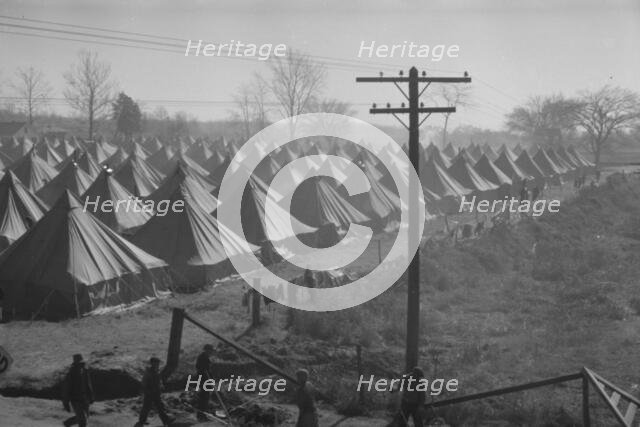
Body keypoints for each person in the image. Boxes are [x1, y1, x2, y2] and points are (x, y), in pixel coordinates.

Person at [135, 357, 173, 427]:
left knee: (160, 407)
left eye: (158, 363)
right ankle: (141, 421)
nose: (158, 364)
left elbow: (159, 381)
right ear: (152, 363)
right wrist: (146, 390)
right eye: (156, 363)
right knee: (146, 407)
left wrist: (161, 386)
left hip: (156, 393)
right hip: (149, 393)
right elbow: (144, 382)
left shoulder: (157, 371)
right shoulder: (148, 372)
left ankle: (166, 420)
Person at [62, 354, 94, 427]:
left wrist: (91, 396)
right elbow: (66, 389)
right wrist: (66, 402)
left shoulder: (85, 371)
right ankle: (68, 423)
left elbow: (88, 384)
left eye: (82, 363)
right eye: (80, 363)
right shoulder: (71, 374)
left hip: (85, 399)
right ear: (76, 364)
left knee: (86, 417)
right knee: (82, 421)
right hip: (76, 400)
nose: (82, 365)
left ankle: (68, 423)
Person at [195, 344, 215, 421]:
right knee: (204, 397)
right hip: (203, 380)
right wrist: (204, 372)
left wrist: (211, 380)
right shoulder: (202, 357)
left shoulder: (206, 357)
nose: (211, 352)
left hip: (207, 380)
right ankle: (201, 415)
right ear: (206, 350)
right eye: (210, 350)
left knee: (205, 398)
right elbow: (199, 368)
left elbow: (208, 370)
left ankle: (202, 414)